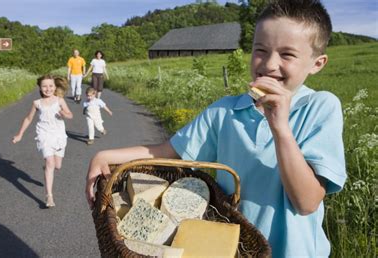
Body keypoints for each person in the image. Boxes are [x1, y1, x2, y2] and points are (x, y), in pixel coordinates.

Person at [85, 1, 346, 257]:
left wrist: (280, 127)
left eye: (287, 54)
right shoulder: (224, 111)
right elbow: (166, 152)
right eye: (260, 50)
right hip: (235, 250)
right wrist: (105, 156)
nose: (268, 64)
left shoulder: (320, 107)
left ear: (317, 63)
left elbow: (307, 202)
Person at [13, 74, 73, 208]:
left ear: (55, 87)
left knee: (57, 166)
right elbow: (28, 119)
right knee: (50, 162)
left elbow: (70, 114)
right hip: (44, 135)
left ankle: (47, 167)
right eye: (44, 86)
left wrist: (64, 114)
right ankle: (49, 196)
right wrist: (20, 134)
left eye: (50, 86)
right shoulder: (37, 103)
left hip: (58, 135)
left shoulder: (60, 100)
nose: (48, 89)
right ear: (40, 87)